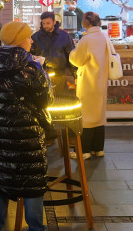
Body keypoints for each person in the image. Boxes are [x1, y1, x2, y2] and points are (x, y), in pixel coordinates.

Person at [0, 21, 52, 231]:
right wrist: (44, 74)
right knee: (31, 184)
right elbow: (45, 100)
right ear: (19, 40)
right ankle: (35, 227)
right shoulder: (31, 67)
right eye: (29, 37)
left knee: (1, 184)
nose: (31, 40)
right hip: (27, 135)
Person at [69, 11, 107, 158]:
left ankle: (83, 151)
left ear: (87, 22)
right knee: (99, 113)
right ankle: (98, 148)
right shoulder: (104, 37)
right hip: (101, 80)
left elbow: (77, 60)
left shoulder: (87, 39)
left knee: (86, 115)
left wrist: (72, 52)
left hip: (88, 80)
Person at [32, 11, 76, 96]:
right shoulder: (36, 37)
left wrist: (75, 75)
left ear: (54, 22)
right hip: (42, 75)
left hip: (60, 75)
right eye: (43, 23)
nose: (45, 26)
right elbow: (31, 55)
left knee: (60, 99)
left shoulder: (64, 36)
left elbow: (71, 56)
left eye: (48, 23)